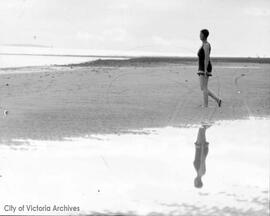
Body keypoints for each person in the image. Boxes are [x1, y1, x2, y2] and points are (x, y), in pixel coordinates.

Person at [197, 29, 222, 108]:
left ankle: (206, 105)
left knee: (204, 87)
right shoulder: (203, 44)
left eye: (201, 34)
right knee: (203, 87)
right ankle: (218, 100)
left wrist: (205, 70)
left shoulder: (207, 45)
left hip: (205, 67)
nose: (199, 35)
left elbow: (207, 58)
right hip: (201, 66)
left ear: (204, 35)